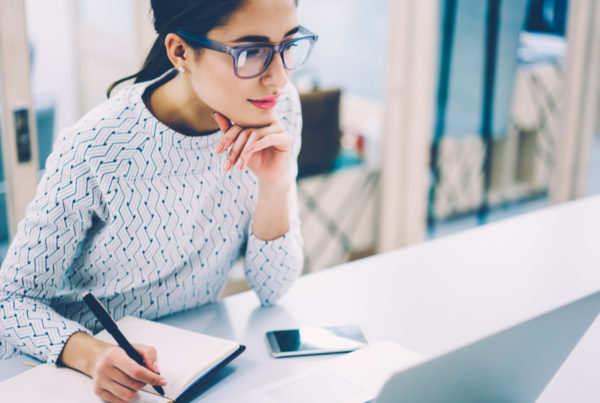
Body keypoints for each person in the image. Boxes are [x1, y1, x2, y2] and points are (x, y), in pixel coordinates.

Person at [0, 0, 317, 401]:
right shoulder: (96, 148)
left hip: (186, 365)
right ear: (180, 51)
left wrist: (276, 184)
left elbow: (274, 287)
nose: (278, 78)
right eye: (251, 52)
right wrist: (90, 353)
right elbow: (10, 301)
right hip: (65, 373)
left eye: (288, 45)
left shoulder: (277, 111)